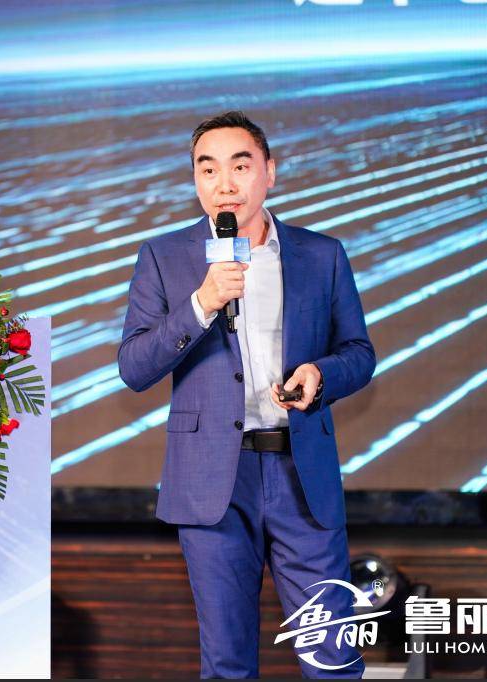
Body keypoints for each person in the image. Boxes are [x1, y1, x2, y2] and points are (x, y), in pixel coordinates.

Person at [118, 111, 375, 678]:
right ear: (195, 179)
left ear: (269, 173)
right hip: (214, 478)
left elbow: (359, 353)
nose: (225, 184)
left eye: (240, 165)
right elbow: (134, 366)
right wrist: (202, 304)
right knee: (227, 663)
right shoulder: (164, 256)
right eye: (208, 169)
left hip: (299, 474)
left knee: (332, 657)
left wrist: (321, 374)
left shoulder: (321, 254)